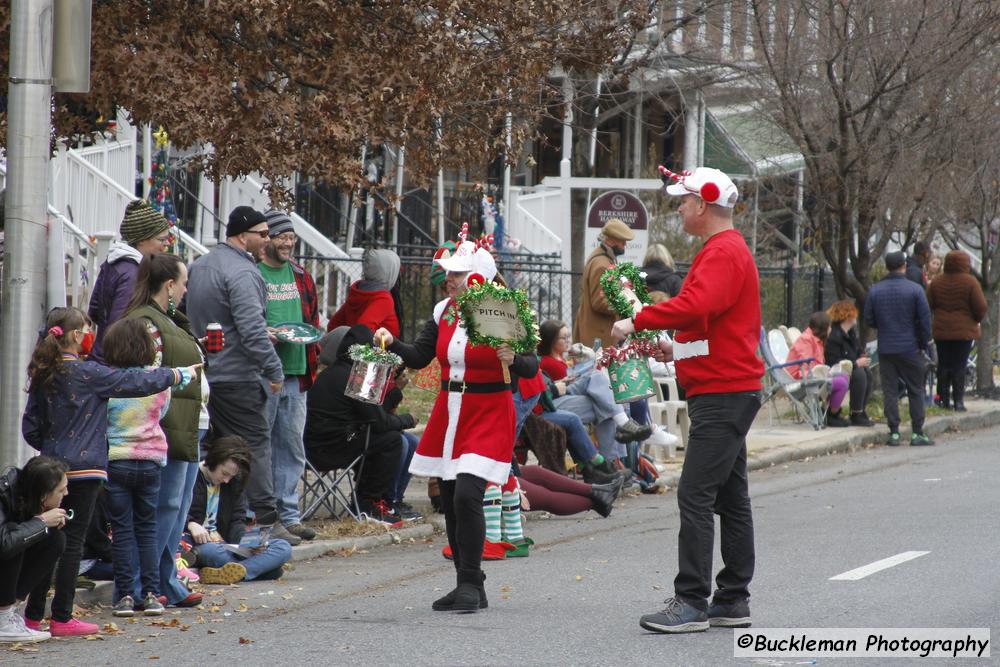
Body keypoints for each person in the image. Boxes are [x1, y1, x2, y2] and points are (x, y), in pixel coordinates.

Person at [611, 166, 762, 634]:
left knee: (696, 494)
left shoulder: (722, 251)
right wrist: (677, 348)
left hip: (723, 392)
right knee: (730, 497)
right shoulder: (723, 250)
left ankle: (692, 601)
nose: (678, 208)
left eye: (683, 201)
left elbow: (696, 308)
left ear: (704, 203)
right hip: (726, 387)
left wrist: (639, 321)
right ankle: (732, 598)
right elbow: (717, 328)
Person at [375, 239, 539, 614]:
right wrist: (390, 342)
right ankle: (469, 584)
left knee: (468, 493)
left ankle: (469, 580)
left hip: (490, 409)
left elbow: (531, 366)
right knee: (449, 497)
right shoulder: (444, 311)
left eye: (458, 273)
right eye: (449, 273)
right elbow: (419, 355)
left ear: (478, 275)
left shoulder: (499, 308)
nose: (449, 279)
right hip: (451, 409)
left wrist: (513, 357)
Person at [22, 306, 197, 636]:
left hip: (50, 467)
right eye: (87, 330)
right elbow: (133, 381)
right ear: (76, 336)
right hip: (85, 471)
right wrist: (176, 374)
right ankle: (61, 617)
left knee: (47, 541)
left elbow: (30, 427)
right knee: (73, 545)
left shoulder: (44, 373)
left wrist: (53, 447)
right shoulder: (89, 374)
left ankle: (32, 617)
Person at [185, 206, 300, 546]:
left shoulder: (201, 265)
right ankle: (266, 520)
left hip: (205, 375)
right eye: (262, 234)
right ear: (242, 235)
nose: (268, 240)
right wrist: (274, 370)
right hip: (238, 377)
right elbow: (251, 332)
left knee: (213, 451)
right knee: (253, 449)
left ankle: (213, 523)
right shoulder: (244, 273)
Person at [124, 253, 206, 608]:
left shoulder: (173, 320)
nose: (187, 289)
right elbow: (143, 375)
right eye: (184, 282)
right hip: (165, 426)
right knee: (163, 506)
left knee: (178, 506)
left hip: (188, 423)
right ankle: (148, 583)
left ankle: (166, 580)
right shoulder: (146, 323)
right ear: (169, 285)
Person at [101, 319, 176, 617]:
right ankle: (152, 594)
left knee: (121, 531)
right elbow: (162, 415)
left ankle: (124, 598)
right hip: (151, 461)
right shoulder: (159, 383)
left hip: (117, 459)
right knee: (147, 528)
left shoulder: (107, 383)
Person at [304, 326, 410, 525]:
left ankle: (369, 501)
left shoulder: (332, 372)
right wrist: (406, 420)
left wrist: (394, 392)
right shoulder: (359, 375)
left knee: (378, 440)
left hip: (312, 449)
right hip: (335, 449)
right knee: (392, 441)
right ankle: (368, 503)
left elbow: (371, 415)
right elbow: (379, 422)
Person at [259, 210, 320, 542]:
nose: (287, 243)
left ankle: (290, 515)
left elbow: (312, 320)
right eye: (282, 237)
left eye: (291, 238)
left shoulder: (300, 275)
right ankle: (262, 515)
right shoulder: (255, 273)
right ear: (267, 238)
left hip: (297, 371)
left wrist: (313, 341)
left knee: (292, 445)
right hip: (265, 372)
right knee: (262, 445)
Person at [538, 320, 653, 462]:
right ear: (551, 340)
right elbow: (553, 388)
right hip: (557, 399)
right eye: (563, 338)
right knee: (604, 401)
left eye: (569, 336)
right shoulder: (548, 362)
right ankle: (617, 458)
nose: (568, 341)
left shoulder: (562, 358)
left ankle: (614, 459)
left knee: (605, 403)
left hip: (566, 395)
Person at [186, 436, 292, 585]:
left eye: (232, 476)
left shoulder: (233, 483)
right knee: (210, 551)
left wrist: (250, 545)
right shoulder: (190, 476)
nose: (227, 480)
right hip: (202, 544)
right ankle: (257, 569)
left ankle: (238, 572)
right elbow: (172, 510)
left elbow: (237, 520)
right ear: (213, 460)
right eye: (224, 473)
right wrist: (190, 523)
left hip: (227, 546)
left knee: (283, 546)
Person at [88, 200, 172, 362]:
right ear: (141, 240)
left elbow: (94, 310)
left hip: (100, 356)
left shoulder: (113, 262)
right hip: (115, 364)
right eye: (161, 240)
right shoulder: (134, 274)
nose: (166, 244)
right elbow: (121, 327)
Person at [864, 251, 934, 446]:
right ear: (904, 266)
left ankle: (894, 432)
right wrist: (923, 343)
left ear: (887, 267)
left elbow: (869, 318)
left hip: (886, 347)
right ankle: (917, 432)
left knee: (890, 390)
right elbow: (925, 320)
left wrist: (885, 326)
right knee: (915, 390)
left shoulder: (875, 290)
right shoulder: (915, 290)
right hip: (911, 347)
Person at [0, 456, 69, 644]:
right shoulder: (3, 494)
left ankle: (7, 614)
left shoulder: (26, 497)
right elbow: (4, 544)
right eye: (61, 490)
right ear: (43, 495)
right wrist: (40, 523)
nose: (67, 493)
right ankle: (3, 620)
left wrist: (42, 526)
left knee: (54, 539)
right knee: (16, 539)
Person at [926, 250, 987, 411]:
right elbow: (980, 307)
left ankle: (942, 400)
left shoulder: (937, 282)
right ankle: (958, 401)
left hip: (941, 330)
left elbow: (929, 303)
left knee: (944, 365)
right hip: (964, 332)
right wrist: (975, 319)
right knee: (959, 365)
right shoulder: (971, 282)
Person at [574, 218, 635, 348]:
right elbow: (600, 302)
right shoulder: (602, 264)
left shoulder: (601, 258)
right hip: (599, 335)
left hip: (596, 332)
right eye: (622, 241)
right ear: (611, 240)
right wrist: (627, 304)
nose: (625, 245)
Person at [785, 311, 851, 427]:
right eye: (829, 326)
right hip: (800, 380)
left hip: (814, 376)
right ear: (824, 327)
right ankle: (831, 415)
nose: (831, 328)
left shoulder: (816, 340)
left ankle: (830, 413)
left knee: (844, 376)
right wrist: (825, 373)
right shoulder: (806, 340)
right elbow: (807, 366)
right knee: (841, 382)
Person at [326, 248, 402, 337]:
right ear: (390, 272)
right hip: (377, 350)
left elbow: (333, 325)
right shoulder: (383, 298)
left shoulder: (358, 291)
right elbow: (362, 331)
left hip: (352, 348)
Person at [824, 301, 875, 426]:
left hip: (849, 367)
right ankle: (856, 413)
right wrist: (856, 363)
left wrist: (862, 356)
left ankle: (860, 411)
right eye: (854, 314)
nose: (856, 317)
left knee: (867, 373)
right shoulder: (834, 336)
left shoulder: (850, 333)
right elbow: (833, 361)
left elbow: (857, 350)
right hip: (836, 371)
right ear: (848, 316)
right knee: (859, 374)